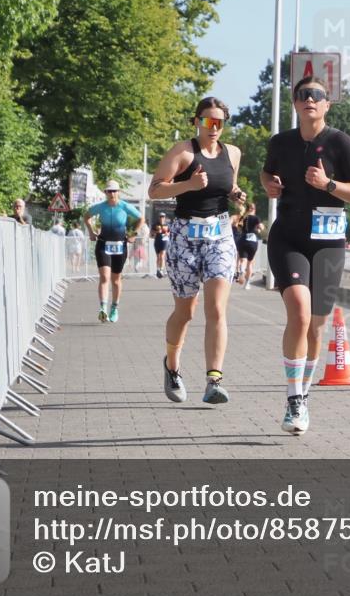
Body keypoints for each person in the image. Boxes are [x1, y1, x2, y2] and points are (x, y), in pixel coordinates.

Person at [261, 76, 350, 435]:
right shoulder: (281, 142)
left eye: (318, 95)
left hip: (327, 243)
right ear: (295, 104)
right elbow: (267, 172)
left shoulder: (341, 143)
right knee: (299, 311)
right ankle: (294, 400)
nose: (310, 99)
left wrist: (329, 185)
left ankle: (304, 395)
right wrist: (268, 184)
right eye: (304, 95)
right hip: (288, 238)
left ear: (327, 105)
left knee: (317, 324)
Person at [148, 97, 246, 406]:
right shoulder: (183, 152)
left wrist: (237, 194)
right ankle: (172, 366)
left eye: (219, 122)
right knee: (185, 312)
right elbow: (155, 190)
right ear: (197, 122)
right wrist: (188, 185)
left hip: (218, 235)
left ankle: (214, 380)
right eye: (207, 121)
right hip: (184, 236)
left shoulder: (233, 153)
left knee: (216, 309)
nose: (213, 128)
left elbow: (228, 185)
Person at [83, 180, 144, 323]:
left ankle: (114, 308)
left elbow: (141, 218)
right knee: (104, 277)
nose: (112, 194)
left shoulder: (124, 206)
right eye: (109, 191)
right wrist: (91, 232)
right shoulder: (100, 207)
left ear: (118, 192)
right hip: (103, 245)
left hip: (120, 246)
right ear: (105, 193)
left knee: (116, 280)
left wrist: (134, 233)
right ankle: (103, 308)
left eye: (114, 191)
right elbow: (86, 216)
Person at [235, 202, 264, 290]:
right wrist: (258, 229)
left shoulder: (243, 217)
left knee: (243, 260)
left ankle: (241, 270)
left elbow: (238, 227)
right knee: (250, 263)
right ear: (253, 209)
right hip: (252, 241)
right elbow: (261, 227)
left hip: (243, 239)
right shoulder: (256, 218)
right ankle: (247, 284)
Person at [152, 213, 171, 278]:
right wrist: (157, 232)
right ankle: (157, 269)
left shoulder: (167, 224)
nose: (161, 218)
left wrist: (167, 234)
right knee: (158, 256)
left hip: (165, 241)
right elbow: (151, 233)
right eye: (160, 216)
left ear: (165, 217)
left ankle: (161, 270)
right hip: (157, 240)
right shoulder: (155, 224)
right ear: (159, 217)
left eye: (163, 217)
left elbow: (170, 232)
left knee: (162, 255)